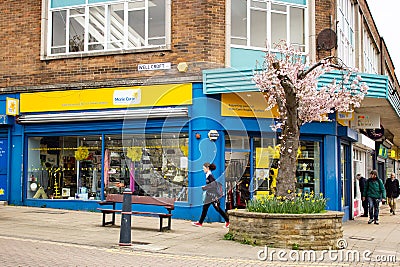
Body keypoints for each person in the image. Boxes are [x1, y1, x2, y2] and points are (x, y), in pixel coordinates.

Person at [192, 162, 230, 228]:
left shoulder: (210, 176)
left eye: (204, 168)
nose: (203, 170)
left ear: (207, 168)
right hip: (209, 195)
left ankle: (228, 221)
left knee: (218, 209)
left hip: (213, 196)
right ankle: (200, 223)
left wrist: (205, 187)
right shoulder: (208, 175)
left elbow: (213, 185)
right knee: (205, 208)